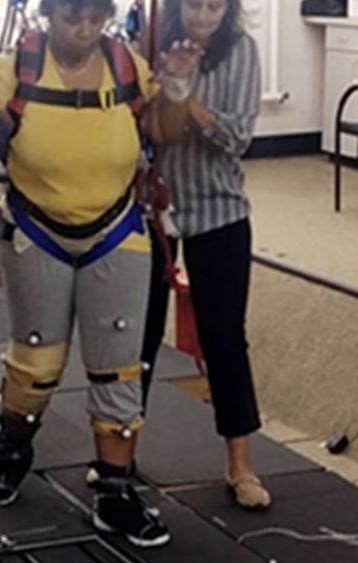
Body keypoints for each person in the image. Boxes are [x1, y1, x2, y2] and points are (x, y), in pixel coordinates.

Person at [0, 0, 199, 548]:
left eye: (96, 18)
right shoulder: (16, 66)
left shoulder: (125, 64)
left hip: (115, 228)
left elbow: (162, 131)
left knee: (119, 367)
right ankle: (14, 444)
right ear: (49, 15)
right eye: (73, 18)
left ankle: (114, 490)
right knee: (37, 362)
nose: (85, 30)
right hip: (36, 228)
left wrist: (179, 87)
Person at [139, 0, 271, 510]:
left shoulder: (242, 52)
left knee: (223, 336)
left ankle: (240, 463)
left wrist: (184, 96)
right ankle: (118, 456)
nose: (202, 17)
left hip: (220, 208)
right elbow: (144, 125)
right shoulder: (148, 43)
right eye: (194, 4)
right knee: (140, 334)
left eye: (215, 6)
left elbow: (237, 138)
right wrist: (165, 82)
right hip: (153, 207)